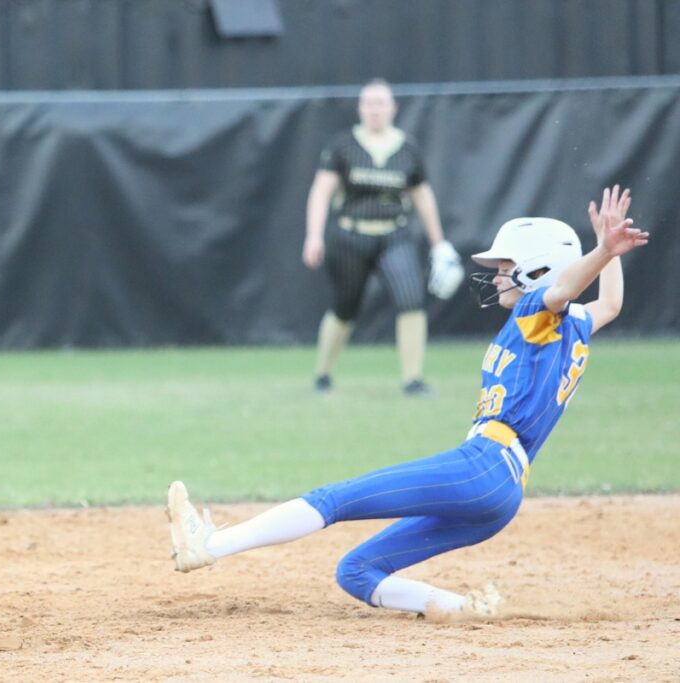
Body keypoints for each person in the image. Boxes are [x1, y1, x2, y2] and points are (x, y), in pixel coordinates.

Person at [169, 186, 647, 618]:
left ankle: (210, 545)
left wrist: (604, 249)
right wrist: (608, 252)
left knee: (331, 499)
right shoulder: (571, 328)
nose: (498, 276)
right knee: (355, 571)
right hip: (501, 493)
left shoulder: (538, 310)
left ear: (538, 270)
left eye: (505, 267)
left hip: (482, 465)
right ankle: (465, 609)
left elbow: (564, 290)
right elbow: (610, 306)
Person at [302, 79, 463, 397]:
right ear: (360, 108)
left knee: (411, 300)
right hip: (351, 234)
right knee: (345, 307)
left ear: (393, 108)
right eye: (369, 103)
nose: (374, 109)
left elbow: (422, 197)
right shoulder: (343, 145)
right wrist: (313, 236)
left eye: (380, 103)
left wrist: (439, 242)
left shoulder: (407, 148)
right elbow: (321, 192)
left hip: (394, 235)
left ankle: (412, 379)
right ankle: (323, 373)